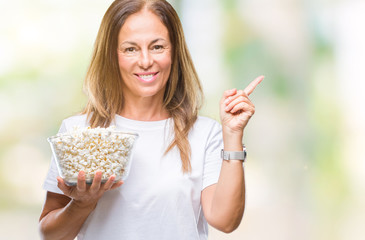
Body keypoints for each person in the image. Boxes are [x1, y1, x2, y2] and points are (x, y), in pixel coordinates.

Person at [39, 0, 263, 239]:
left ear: (175, 51)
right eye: (130, 49)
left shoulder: (205, 133)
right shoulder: (79, 131)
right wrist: (83, 203)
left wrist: (233, 135)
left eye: (157, 47)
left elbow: (225, 221)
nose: (145, 61)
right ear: (112, 55)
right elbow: (50, 235)